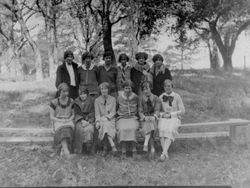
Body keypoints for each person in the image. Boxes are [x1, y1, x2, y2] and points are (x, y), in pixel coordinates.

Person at [158, 79, 185, 161]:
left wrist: (171, 114)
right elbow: (157, 110)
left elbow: (183, 111)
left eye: (169, 86)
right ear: (164, 87)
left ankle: (163, 153)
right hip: (164, 118)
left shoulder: (177, 96)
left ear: (172, 86)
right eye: (165, 86)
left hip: (174, 118)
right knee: (162, 130)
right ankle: (165, 153)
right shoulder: (161, 97)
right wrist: (163, 114)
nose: (167, 88)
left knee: (169, 130)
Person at [49, 83, 75, 157]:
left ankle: (62, 149)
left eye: (67, 91)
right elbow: (51, 117)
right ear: (59, 91)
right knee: (62, 130)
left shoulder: (71, 101)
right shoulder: (54, 102)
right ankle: (66, 152)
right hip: (58, 121)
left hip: (68, 121)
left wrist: (69, 119)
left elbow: (73, 115)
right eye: (64, 91)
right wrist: (60, 121)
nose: (66, 93)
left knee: (68, 129)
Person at [116, 81, 139, 159]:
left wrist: (136, 116)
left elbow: (139, 108)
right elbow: (116, 108)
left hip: (132, 117)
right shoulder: (119, 97)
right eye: (126, 88)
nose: (127, 90)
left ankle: (134, 150)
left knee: (133, 128)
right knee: (122, 129)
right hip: (122, 117)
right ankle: (123, 150)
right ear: (123, 89)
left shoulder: (135, 97)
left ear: (132, 88)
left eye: (129, 88)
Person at [138, 81, 161, 160]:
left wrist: (154, 116)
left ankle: (146, 144)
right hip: (144, 120)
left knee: (151, 122)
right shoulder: (141, 99)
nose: (146, 91)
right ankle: (152, 148)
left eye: (147, 88)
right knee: (148, 123)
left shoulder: (156, 98)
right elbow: (140, 111)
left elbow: (157, 110)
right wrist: (144, 117)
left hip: (153, 119)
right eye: (144, 89)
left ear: (150, 88)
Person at [94, 82, 118, 156]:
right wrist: (98, 121)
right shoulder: (97, 100)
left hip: (111, 119)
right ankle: (112, 146)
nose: (103, 91)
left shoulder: (113, 99)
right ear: (100, 90)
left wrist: (106, 118)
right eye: (102, 89)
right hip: (101, 120)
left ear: (108, 90)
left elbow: (113, 112)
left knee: (105, 124)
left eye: (105, 89)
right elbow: (97, 114)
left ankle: (106, 148)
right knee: (104, 124)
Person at [73, 88, 95, 154]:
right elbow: (76, 113)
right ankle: (79, 149)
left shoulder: (91, 101)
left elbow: (93, 112)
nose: (83, 96)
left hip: (89, 120)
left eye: (84, 94)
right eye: (81, 94)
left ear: (87, 94)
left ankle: (88, 148)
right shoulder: (76, 101)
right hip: (79, 120)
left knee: (89, 129)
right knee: (79, 129)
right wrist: (82, 120)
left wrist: (88, 121)